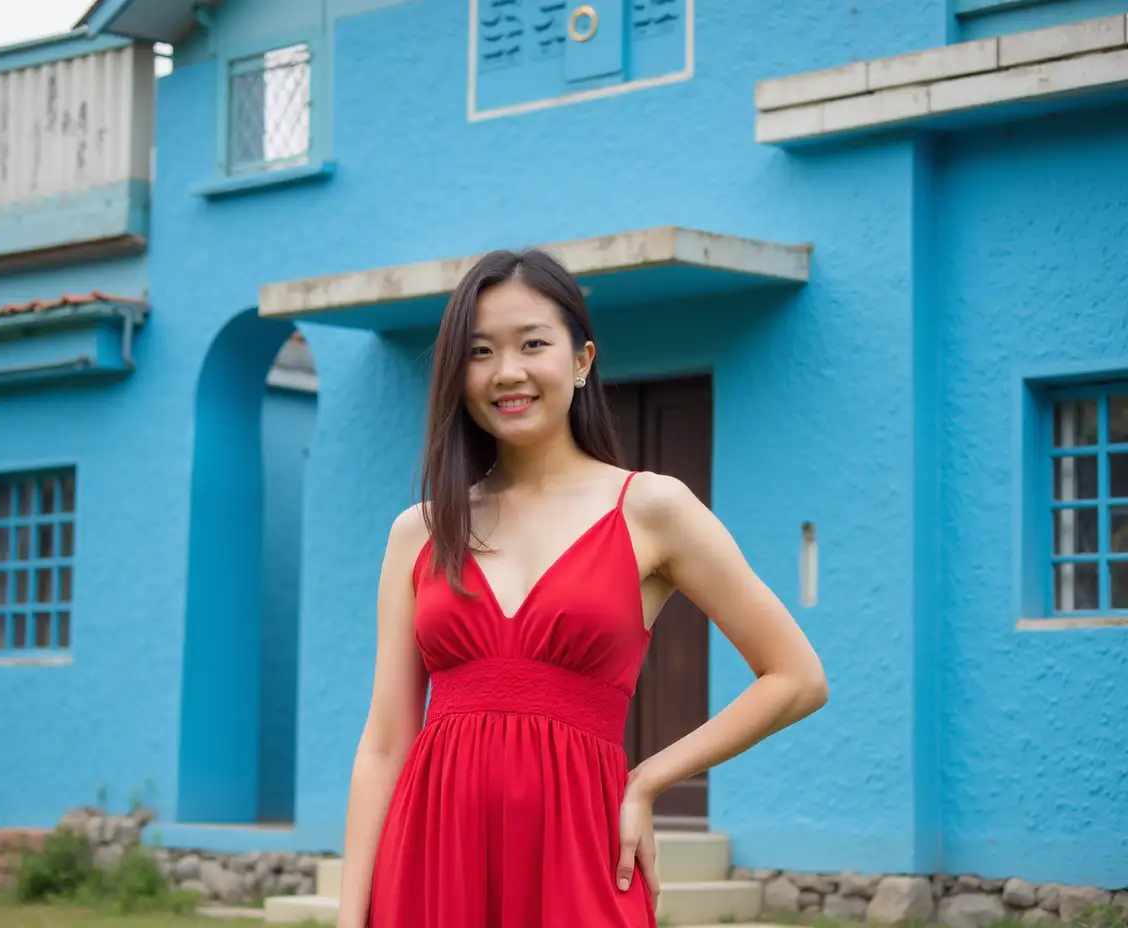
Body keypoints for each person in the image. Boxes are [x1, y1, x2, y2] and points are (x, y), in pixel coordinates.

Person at [335, 248, 828, 928]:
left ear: (581, 360)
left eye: (532, 343)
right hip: (431, 864)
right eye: (479, 351)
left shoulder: (652, 509)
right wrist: (350, 915)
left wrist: (648, 781)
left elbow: (797, 677)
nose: (507, 372)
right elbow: (386, 743)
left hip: (582, 853)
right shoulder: (419, 532)